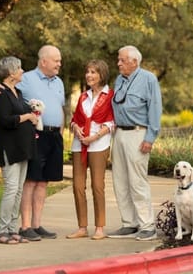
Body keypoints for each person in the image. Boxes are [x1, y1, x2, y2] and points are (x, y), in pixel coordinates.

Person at [0, 45, 65, 241]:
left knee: (30, 185)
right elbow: (5, 116)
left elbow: (55, 107)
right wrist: (27, 116)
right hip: (15, 145)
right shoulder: (11, 89)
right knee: (17, 187)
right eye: (56, 60)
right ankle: (10, 229)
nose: (59, 63)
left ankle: (21, 228)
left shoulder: (20, 93)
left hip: (37, 142)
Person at [107, 45, 162, 241]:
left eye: (122, 60)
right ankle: (129, 223)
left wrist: (150, 138)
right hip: (120, 133)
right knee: (120, 181)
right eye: (118, 59)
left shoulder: (148, 79)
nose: (118, 63)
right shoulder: (120, 79)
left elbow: (155, 108)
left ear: (134, 62)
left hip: (139, 133)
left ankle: (147, 225)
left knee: (137, 182)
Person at [0, 56, 39, 245]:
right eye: (19, 68)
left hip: (22, 147)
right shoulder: (1, 93)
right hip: (9, 148)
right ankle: (2, 231)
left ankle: (12, 229)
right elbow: (5, 120)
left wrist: (33, 116)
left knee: (19, 190)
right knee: (11, 189)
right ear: (11, 73)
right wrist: (27, 116)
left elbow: (24, 113)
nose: (22, 71)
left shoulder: (17, 92)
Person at [66, 60, 115, 240]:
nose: (89, 75)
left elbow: (111, 122)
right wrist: (76, 128)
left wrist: (94, 137)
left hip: (99, 145)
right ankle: (82, 227)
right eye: (87, 72)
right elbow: (75, 119)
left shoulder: (110, 95)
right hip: (79, 145)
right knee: (77, 186)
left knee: (97, 186)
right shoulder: (83, 96)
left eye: (93, 72)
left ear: (102, 74)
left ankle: (100, 227)